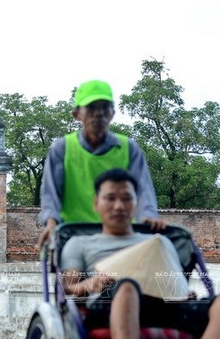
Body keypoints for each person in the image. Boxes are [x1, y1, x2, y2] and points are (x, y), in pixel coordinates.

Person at [60, 168, 220, 339]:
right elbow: (69, 286)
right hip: (109, 306)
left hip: (165, 308)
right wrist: (91, 284)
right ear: (96, 203)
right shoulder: (79, 243)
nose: (119, 206)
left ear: (136, 203)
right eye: (110, 198)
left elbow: (172, 283)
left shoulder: (160, 240)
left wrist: (180, 292)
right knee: (127, 287)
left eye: (127, 199)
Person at [38, 79, 165, 247]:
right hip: (74, 235)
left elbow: (143, 189)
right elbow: (51, 193)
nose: (99, 114)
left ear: (112, 112)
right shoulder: (63, 148)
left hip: (120, 234)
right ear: (77, 114)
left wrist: (148, 215)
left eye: (105, 107)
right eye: (91, 108)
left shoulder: (128, 148)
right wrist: (51, 221)